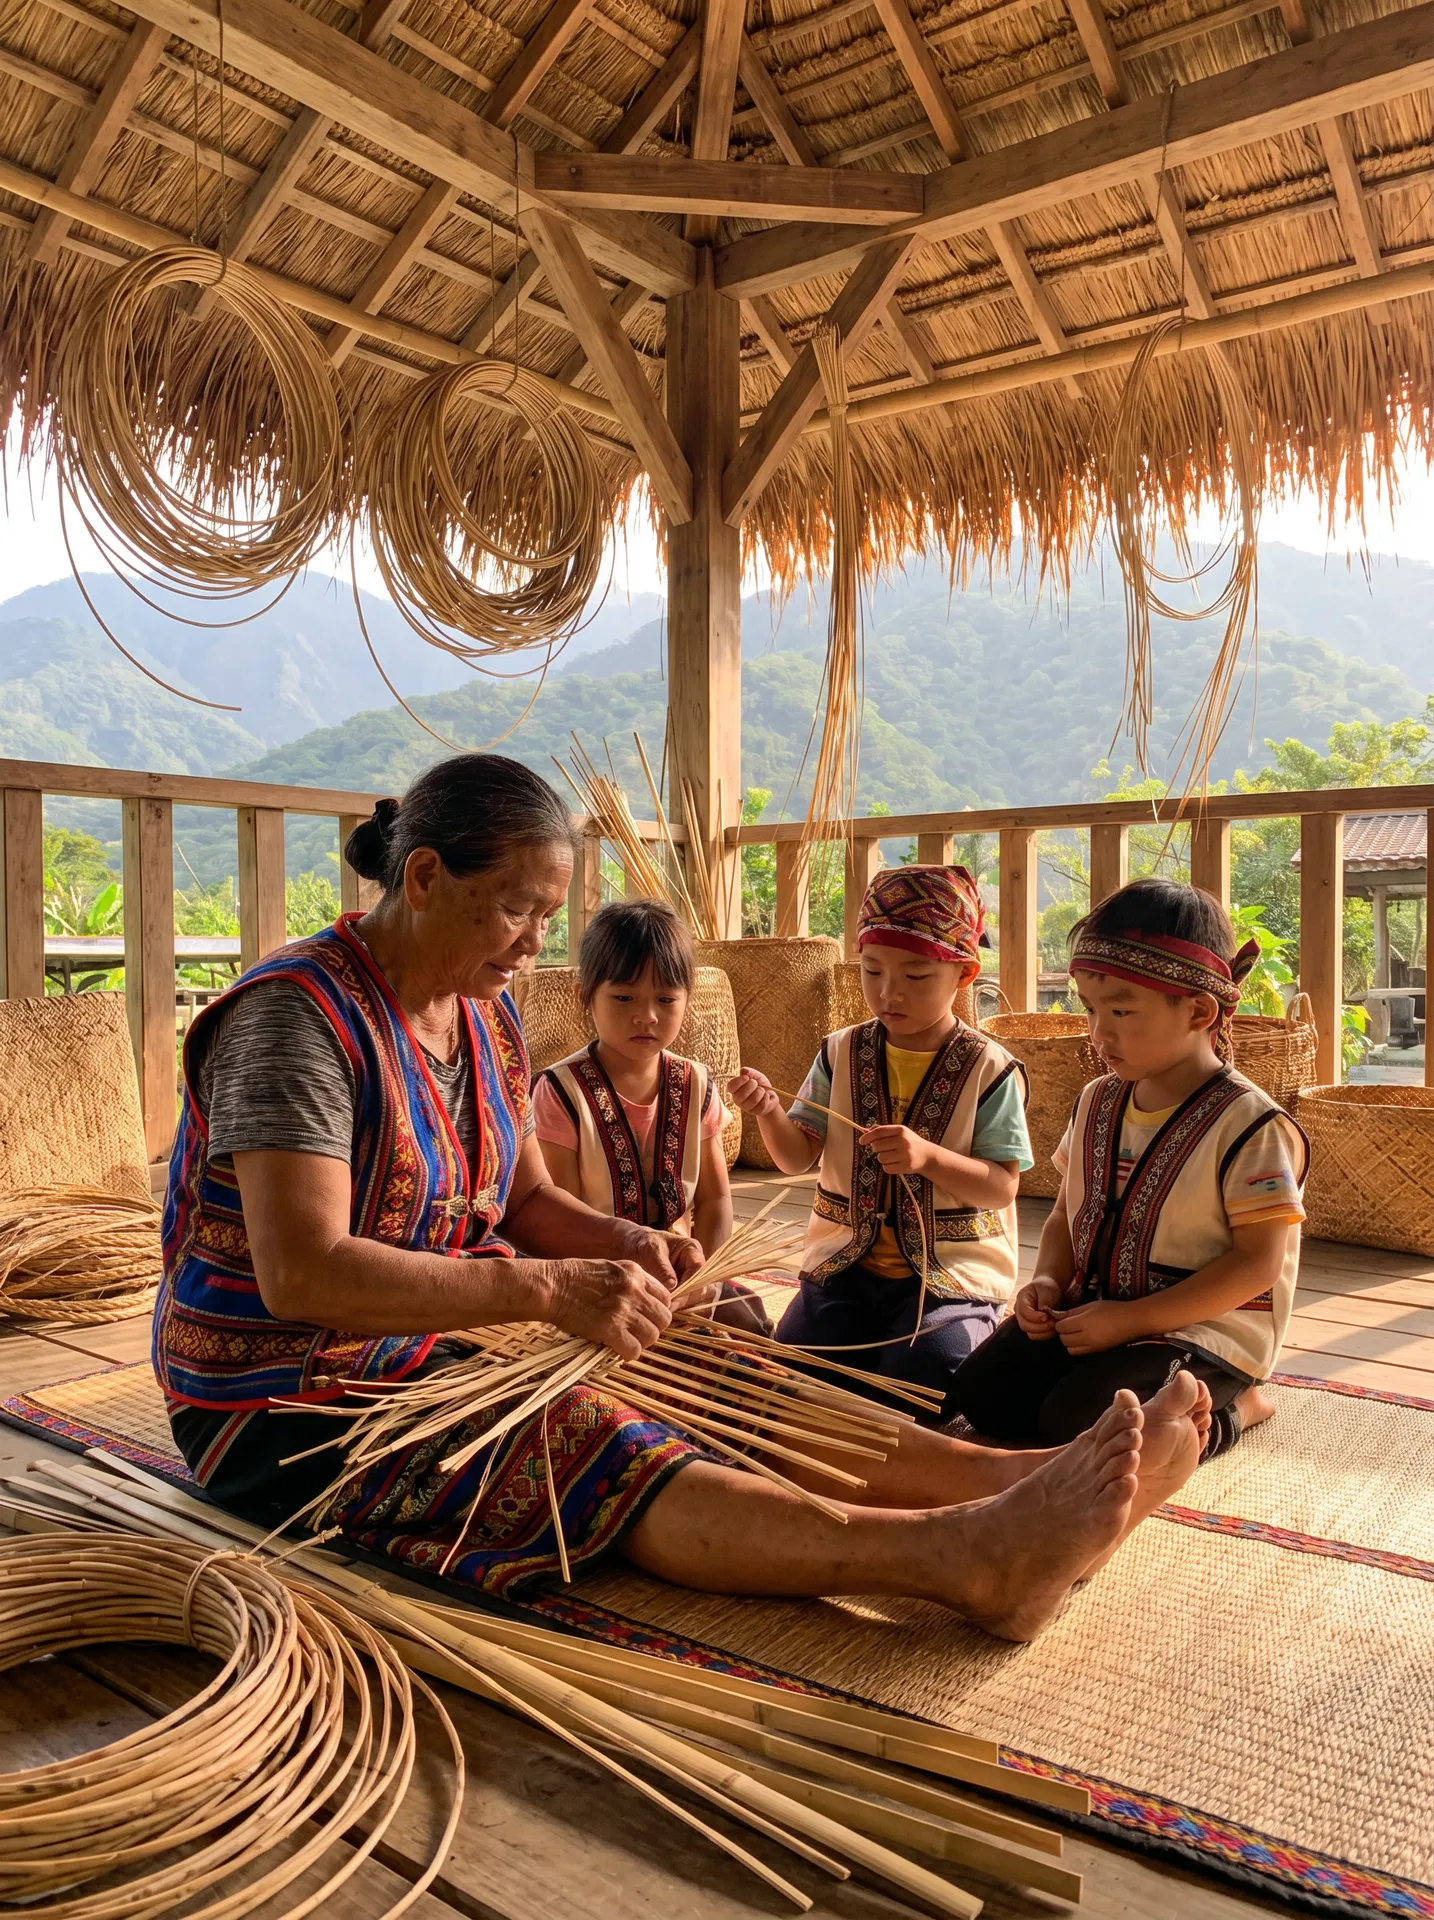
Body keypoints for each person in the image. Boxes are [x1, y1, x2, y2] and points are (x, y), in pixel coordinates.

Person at [155, 760, 1208, 1644]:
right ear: (424, 877)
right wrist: (553, 1288)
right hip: (286, 1398)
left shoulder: (480, 1017)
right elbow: (304, 1271)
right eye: (518, 909)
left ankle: (1016, 1471)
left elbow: (521, 1200)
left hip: (441, 1337)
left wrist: (634, 1250)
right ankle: (965, 1558)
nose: (532, 944)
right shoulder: (298, 1022)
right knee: (592, 1432)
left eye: (544, 916)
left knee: (715, 1363)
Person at [949, 878, 1308, 1459]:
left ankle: (1238, 1406)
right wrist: (1047, 1280)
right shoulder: (1097, 1101)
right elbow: (1070, 1209)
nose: (1099, 1031)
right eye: (1091, 1009)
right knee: (981, 1397)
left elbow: (1258, 1265)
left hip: (1202, 1332)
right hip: (1099, 1312)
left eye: (1120, 1010)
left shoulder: (1250, 1126)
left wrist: (1133, 1320)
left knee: (1086, 1426)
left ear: (1197, 1010)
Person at [728, 866, 1033, 1410]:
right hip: (845, 1266)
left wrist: (928, 1157)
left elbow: (1001, 1188)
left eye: (916, 976)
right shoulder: (840, 1051)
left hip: (949, 1278)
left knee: (926, 1375)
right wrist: (770, 1113)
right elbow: (795, 1157)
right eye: (872, 971)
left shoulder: (992, 1070)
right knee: (795, 1371)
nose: (889, 993)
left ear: (963, 975)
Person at [533, 899, 769, 1332]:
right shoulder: (560, 1093)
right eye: (623, 997)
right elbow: (558, 1221)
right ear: (585, 994)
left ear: (687, 999)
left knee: (750, 1325)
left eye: (666, 998)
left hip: (682, 1279)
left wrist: (705, 1280)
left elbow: (715, 1199)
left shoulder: (694, 1084)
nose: (647, 1016)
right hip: (598, 1285)